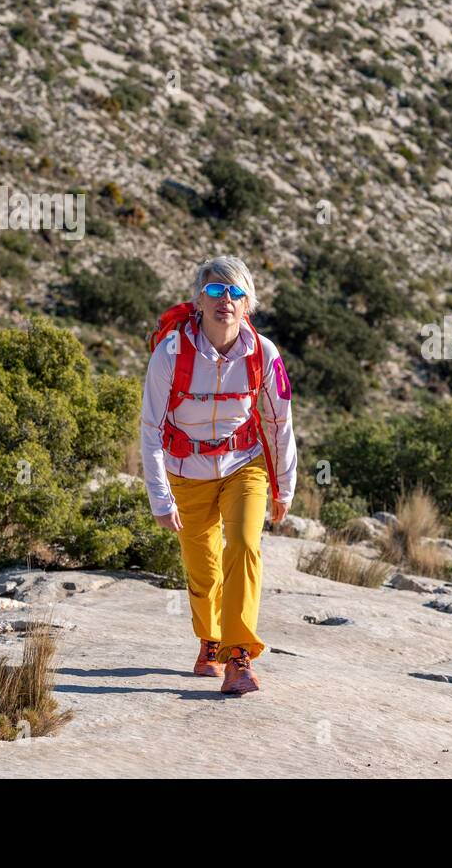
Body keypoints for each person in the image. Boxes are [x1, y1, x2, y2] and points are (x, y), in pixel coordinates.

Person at [140, 255, 296, 695]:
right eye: (215, 290)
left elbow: (279, 422)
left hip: (243, 464)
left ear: (248, 305)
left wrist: (284, 485)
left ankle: (239, 655)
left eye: (235, 292)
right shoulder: (169, 354)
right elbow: (150, 428)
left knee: (245, 544)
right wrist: (160, 497)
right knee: (203, 568)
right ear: (198, 301)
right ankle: (209, 641)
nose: (225, 299)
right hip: (185, 469)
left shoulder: (265, 354)